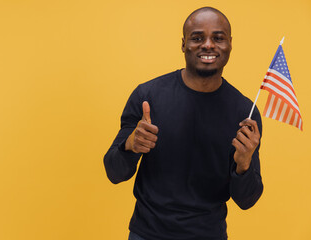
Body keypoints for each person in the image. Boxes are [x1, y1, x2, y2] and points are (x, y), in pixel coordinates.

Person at [104, 6, 263, 240]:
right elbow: (113, 172)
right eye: (197, 37)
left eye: (218, 38)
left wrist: (243, 164)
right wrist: (130, 146)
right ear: (183, 44)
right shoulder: (147, 96)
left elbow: (247, 200)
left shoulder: (244, 112)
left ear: (230, 44)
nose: (208, 45)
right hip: (147, 233)